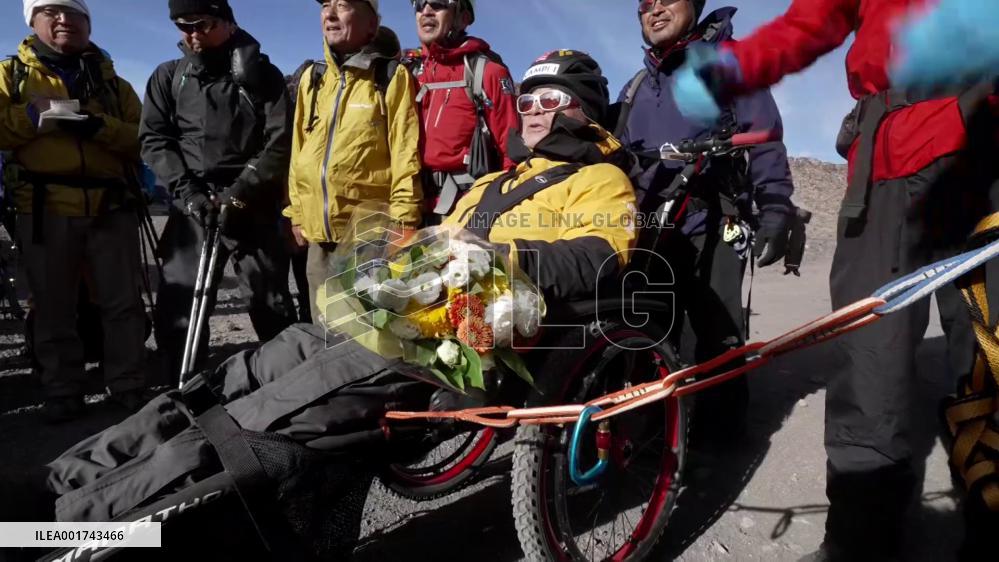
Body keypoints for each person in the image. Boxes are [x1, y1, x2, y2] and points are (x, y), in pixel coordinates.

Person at [45, 49, 638, 559]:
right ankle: (70, 476)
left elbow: (601, 258)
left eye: (551, 101)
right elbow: (433, 247)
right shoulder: (491, 183)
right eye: (529, 102)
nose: (534, 112)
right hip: (402, 318)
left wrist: (496, 255)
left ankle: (83, 519)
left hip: (466, 342)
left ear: (583, 111)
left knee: (266, 412)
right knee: (244, 372)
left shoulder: (601, 180)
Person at [669, 0, 999, 559]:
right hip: (882, 163)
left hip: (983, 143)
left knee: (988, 348)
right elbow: (810, 23)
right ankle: (859, 537)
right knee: (871, 354)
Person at [618, 0, 795, 440]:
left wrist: (775, 208)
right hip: (650, 228)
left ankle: (720, 440)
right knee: (649, 332)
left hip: (713, 220)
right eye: (645, 3)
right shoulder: (636, 85)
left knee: (719, 335)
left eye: (667, 0)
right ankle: (653, 438)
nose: (654, 9)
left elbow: (766, 138)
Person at [1, 0, 149, 421]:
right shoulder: (11, 76)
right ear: (33, 21)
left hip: (111, 204)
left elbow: (143, 137)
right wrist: (32, 115)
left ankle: (127, 383)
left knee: (123, 301)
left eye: (73, 13)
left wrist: (99, 127)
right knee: (52, 304)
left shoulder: (113, 83)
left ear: (87, 23)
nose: (64, 19)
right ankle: (62, 388)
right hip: (44, 206)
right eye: (51, 11)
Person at [141, 0, 297, 381]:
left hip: (252, 202)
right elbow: (155, 139)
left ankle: (285, 384)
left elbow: (279, 141)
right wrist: (189, 194)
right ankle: (181, 384)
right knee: (179, 299)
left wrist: (240, 194)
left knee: (270, 300)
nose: (193, 34)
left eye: (202, 24)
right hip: (192, 202)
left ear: (228, 23)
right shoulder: (169, 76)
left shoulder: (263, 75)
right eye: (183, 26)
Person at [286, 0, 423, 323]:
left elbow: (406, 151)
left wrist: (404, 221)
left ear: (371, 24)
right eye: (326, 6)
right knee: (323, 329)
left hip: (368, 237)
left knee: (368, 333)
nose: (330, 14)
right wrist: (295, 212)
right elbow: (299, 150)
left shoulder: (390, 76)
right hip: (318, 235)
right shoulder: (312, 78)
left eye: (343, 5)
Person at [404, 0, 519, 221]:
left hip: (464, 210)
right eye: (419, 4)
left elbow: (511, 154)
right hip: (411, 208)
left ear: (463, 18)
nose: (426, 11)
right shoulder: (409, 72)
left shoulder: (488, 73)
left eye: (438, 3)